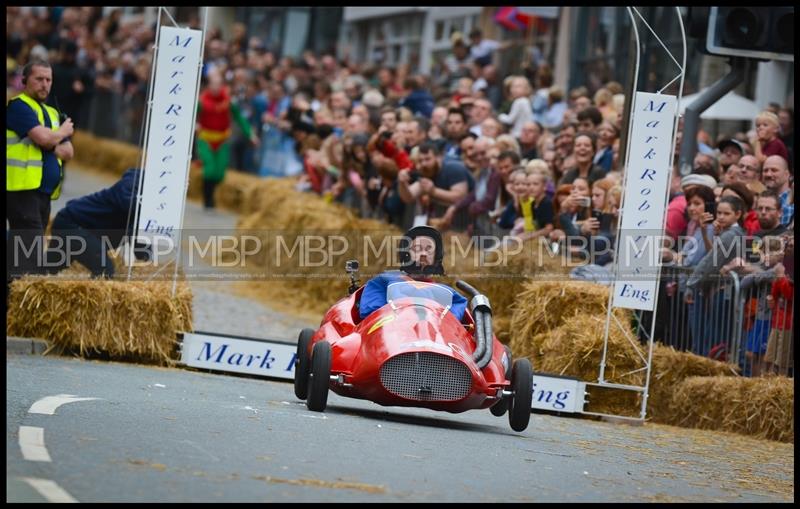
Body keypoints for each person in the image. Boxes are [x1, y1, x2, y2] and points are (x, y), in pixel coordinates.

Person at [7, 59, 75, 286]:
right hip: (22, 191)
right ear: (25, 81)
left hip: (43, 194)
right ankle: (18, 309)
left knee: (22, 255)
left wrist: (51, 142)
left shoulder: (52, 113)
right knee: (29, 258)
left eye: (48, 80)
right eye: (39, 79)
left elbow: (68, 152)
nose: (45, 84)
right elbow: (43, 138)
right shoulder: (18, 106)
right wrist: (60, 133)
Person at [46, 168, 150, 277]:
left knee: (49, 267)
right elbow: (125, 201)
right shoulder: (135, 180)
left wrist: (147, 263)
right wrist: (149, 209)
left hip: (83, 229)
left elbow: (139, 236)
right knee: (105, 270)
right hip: (72, 223)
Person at [358, 226, 468, 321]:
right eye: (417, 249)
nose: (424, 254)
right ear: (406, 254)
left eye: (429, 249)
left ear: (436, 257)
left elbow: (452, 325)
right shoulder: (383, 282)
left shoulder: (450, 295)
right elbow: (372, 317)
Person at [195, 69, 259, 210]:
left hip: (222, 140)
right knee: (210, 169)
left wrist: (250, 134)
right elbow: (192, 115)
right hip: (206, 139)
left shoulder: (228, 101)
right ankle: (208, 199)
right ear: (209, 86)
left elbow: (240, 119)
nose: (216, 88)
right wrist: (194, 124)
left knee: (219, 173)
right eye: (213, 85)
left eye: (219, 85)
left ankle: (210, 194)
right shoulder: (202, 101)